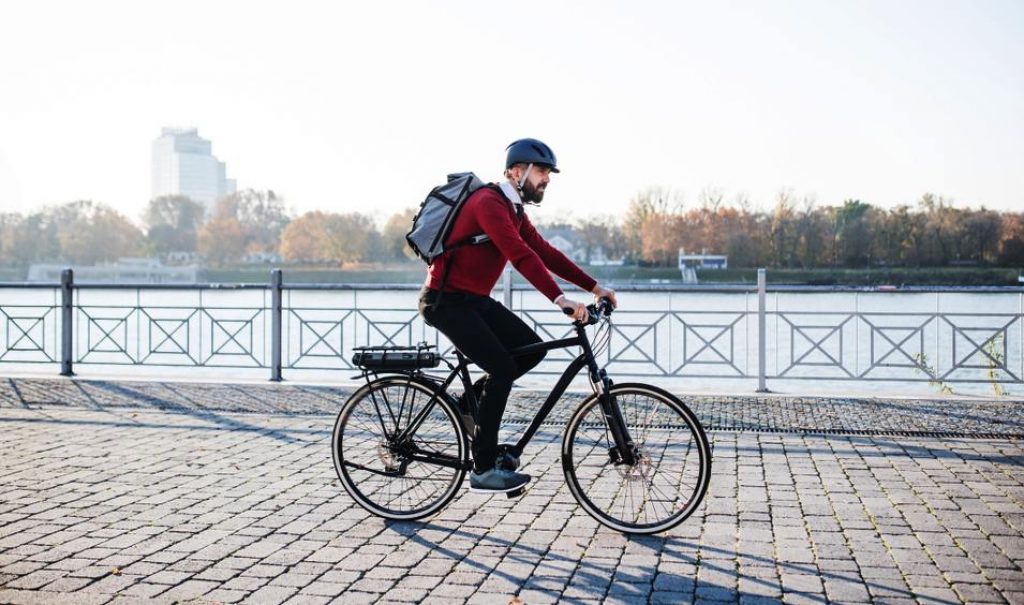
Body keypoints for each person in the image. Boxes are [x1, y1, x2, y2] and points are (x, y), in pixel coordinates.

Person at [418, 138, 617, 493]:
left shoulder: (514, 210)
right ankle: (482, 468)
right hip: (445, 302)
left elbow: (543, 252)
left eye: (548, 173)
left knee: (532, 348)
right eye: (542, 171)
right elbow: (519, 256)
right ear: (516, 171)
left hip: (474, 300)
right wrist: (560, 300)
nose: (547, 179)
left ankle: (468, 403)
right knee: (504, 368)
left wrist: (595, 287)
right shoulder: (488, 203)